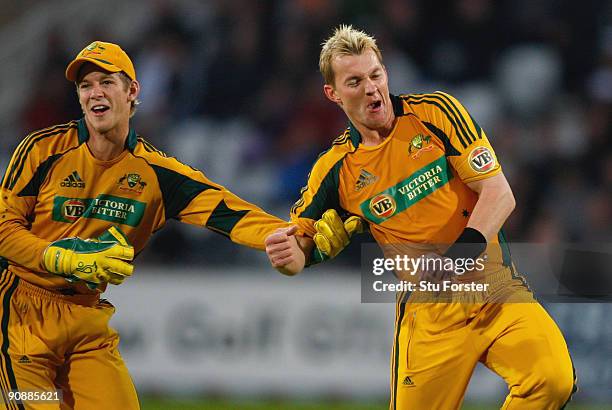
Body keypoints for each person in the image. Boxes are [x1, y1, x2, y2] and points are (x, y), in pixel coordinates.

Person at [265, 25, 576, 409]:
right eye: (355, 81)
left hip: (496, 291)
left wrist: (456, 258)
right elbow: (301, 248)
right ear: (333, 93)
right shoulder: (335, 171)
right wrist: (288, 259)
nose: (370, 88)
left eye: (376, 75)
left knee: (553, 379)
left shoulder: (435, 113)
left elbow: (499, 192)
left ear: (386, 73)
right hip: (431, 313)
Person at [0, 40, 305, 409]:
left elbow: (230, 212)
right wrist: (60, 259)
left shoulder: (158, 175)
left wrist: (297, 236)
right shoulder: (42, 150)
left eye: (106, 82)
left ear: (132, 91)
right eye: (85, 85)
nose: (95, 92)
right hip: (19, 315)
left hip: (86, 318)